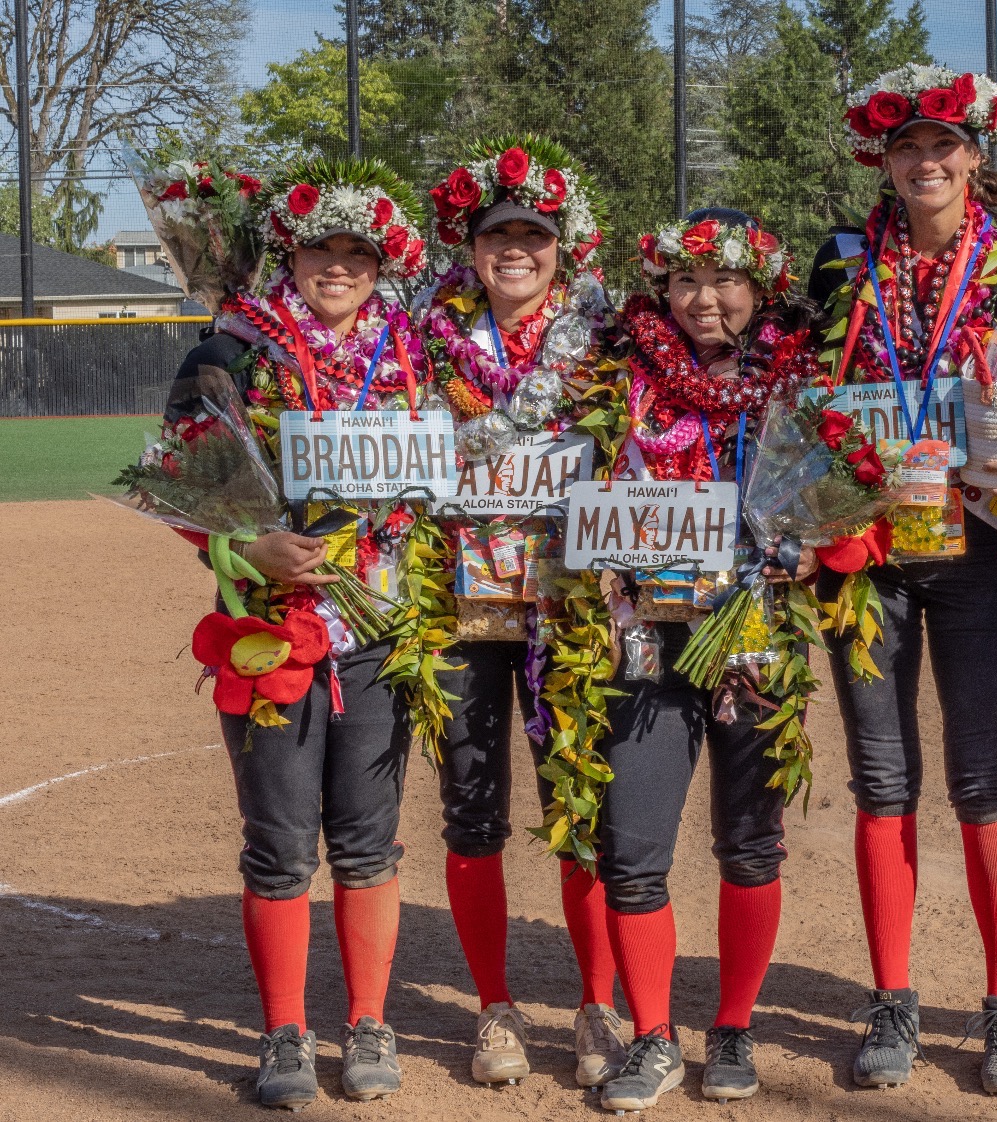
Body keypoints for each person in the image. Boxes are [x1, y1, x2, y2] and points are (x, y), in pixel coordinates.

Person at [810, 65, 997, 1097]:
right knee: (882, 782)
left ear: (974, 155)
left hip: (979, 547)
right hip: (868, 556)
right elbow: (807, 389)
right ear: (882, 160)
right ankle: (892, 998)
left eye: (943, 145)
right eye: (906, 147)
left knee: (985, 783)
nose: (925, 161)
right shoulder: (841, 260)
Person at [167, 159, 433, 1109]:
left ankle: (368, 1021)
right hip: (270, 633)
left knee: (367, 843)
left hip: (380, 630)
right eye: (323, 247)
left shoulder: (417, 353)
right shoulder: (229, 350)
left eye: (359, 252)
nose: (339, 266)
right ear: (291, 251)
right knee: (279, 845)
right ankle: (285, 1030)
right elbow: (183, 489)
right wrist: (250, 546)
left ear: (382, 264)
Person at [592, 209, 822, 1113]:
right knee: (632, 848)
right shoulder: (616, 372)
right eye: (685, 281)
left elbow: (836, 493)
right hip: (649, 633)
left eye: (724, 280)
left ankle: (733, 1025)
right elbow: (573, 480)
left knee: (751, 844)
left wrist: (814, 546)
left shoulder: (800, 380)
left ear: (760, 288)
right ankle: (653, 1036)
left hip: (756, 632)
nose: (703, 299)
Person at [417, 137, 627, 1089]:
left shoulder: (605, 337)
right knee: (472, 809)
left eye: (533, 236)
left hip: (568, 607)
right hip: (462, 604)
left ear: (561, 246)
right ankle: (494, 1007)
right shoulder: (422, 338)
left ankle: (595, 1005)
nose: (515, 250)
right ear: (471, 248)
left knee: (579, 802)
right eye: (497, 235)